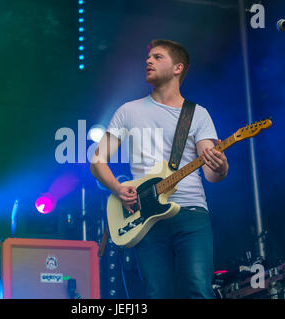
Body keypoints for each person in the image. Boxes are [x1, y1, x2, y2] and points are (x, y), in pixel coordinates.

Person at [90, 39, 229, 299]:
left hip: (191, 212)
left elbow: (211, 174)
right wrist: (118, 188)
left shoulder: (197, 114)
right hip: (146, 218)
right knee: (157, 294)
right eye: (148, 57)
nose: (148, 61)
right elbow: (98, 161)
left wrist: (220, 166)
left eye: (157, 57)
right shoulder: (128, 111)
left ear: (178, 68)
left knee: (198, 290)